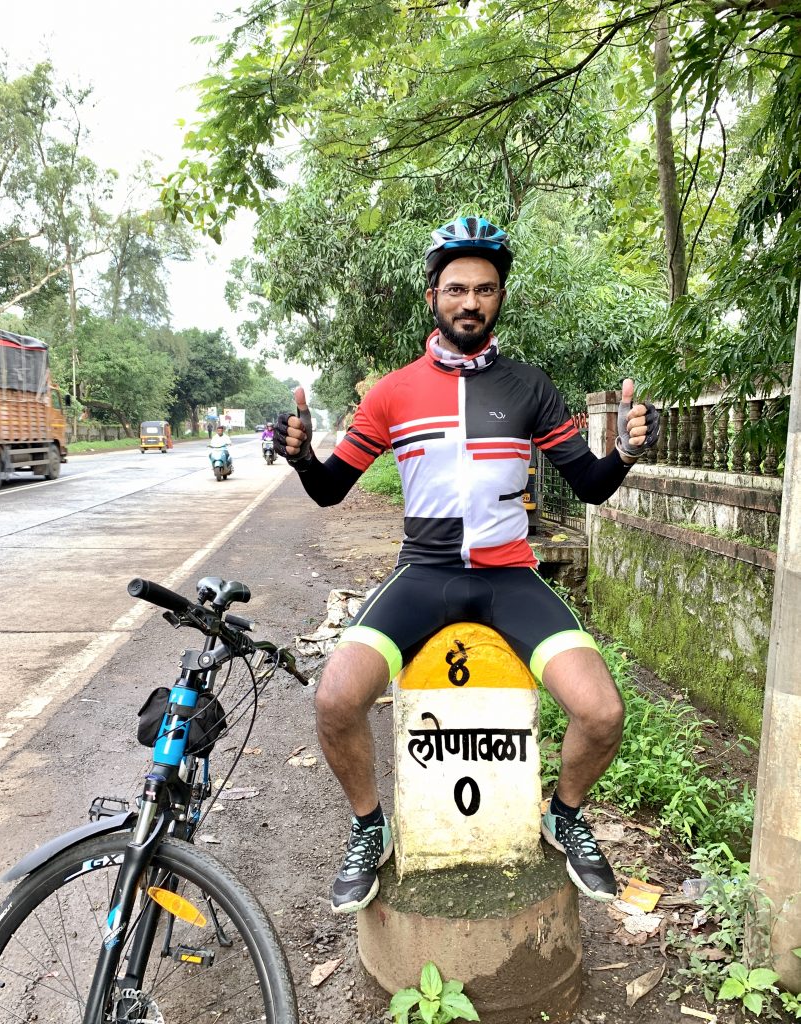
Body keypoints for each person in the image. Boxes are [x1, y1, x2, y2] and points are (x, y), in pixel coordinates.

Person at [274, 216, 659, 915]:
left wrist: (628, 449)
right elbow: (331, 488)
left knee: (601, 711)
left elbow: (592, 484)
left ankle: (563, 815)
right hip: (422, 572)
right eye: (456, 289)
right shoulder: (392, 393)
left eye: (485, 289)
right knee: (334, 698)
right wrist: (300, 454)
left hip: (509, 574)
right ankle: (369, 827)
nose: (470, 302)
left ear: (500, 298)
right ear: (432, 298)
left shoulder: (529, 388)